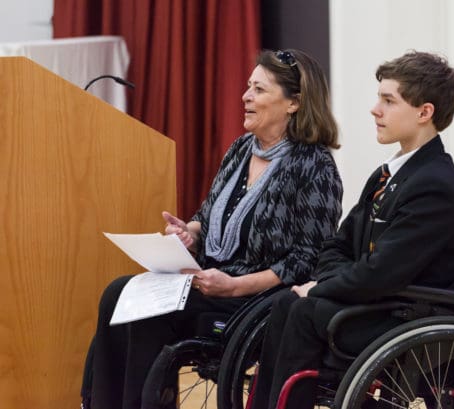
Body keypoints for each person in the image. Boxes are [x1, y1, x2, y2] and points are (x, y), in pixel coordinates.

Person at [80, 49, 343, 409]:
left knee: (149, 312)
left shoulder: (314, 167)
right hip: (209, 280)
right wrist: (189, 231)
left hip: (254, 298)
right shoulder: (240, 150)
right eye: (248, 87)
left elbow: (307, 260)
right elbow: (208, 214)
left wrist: (235, 286)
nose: (245, 96)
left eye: (259, 90)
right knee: (118, 293)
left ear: (293, 103)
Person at [251, 50, 454, 409]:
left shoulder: (435, 185)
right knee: (287, 302)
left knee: (303, 309)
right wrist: (328, 279)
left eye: (388, 101)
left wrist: (323, 286)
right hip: (382, 301)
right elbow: (338, 245)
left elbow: (383, 272)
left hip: (409, 314)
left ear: (424, 112)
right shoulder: (388, 174)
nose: (375, 110)